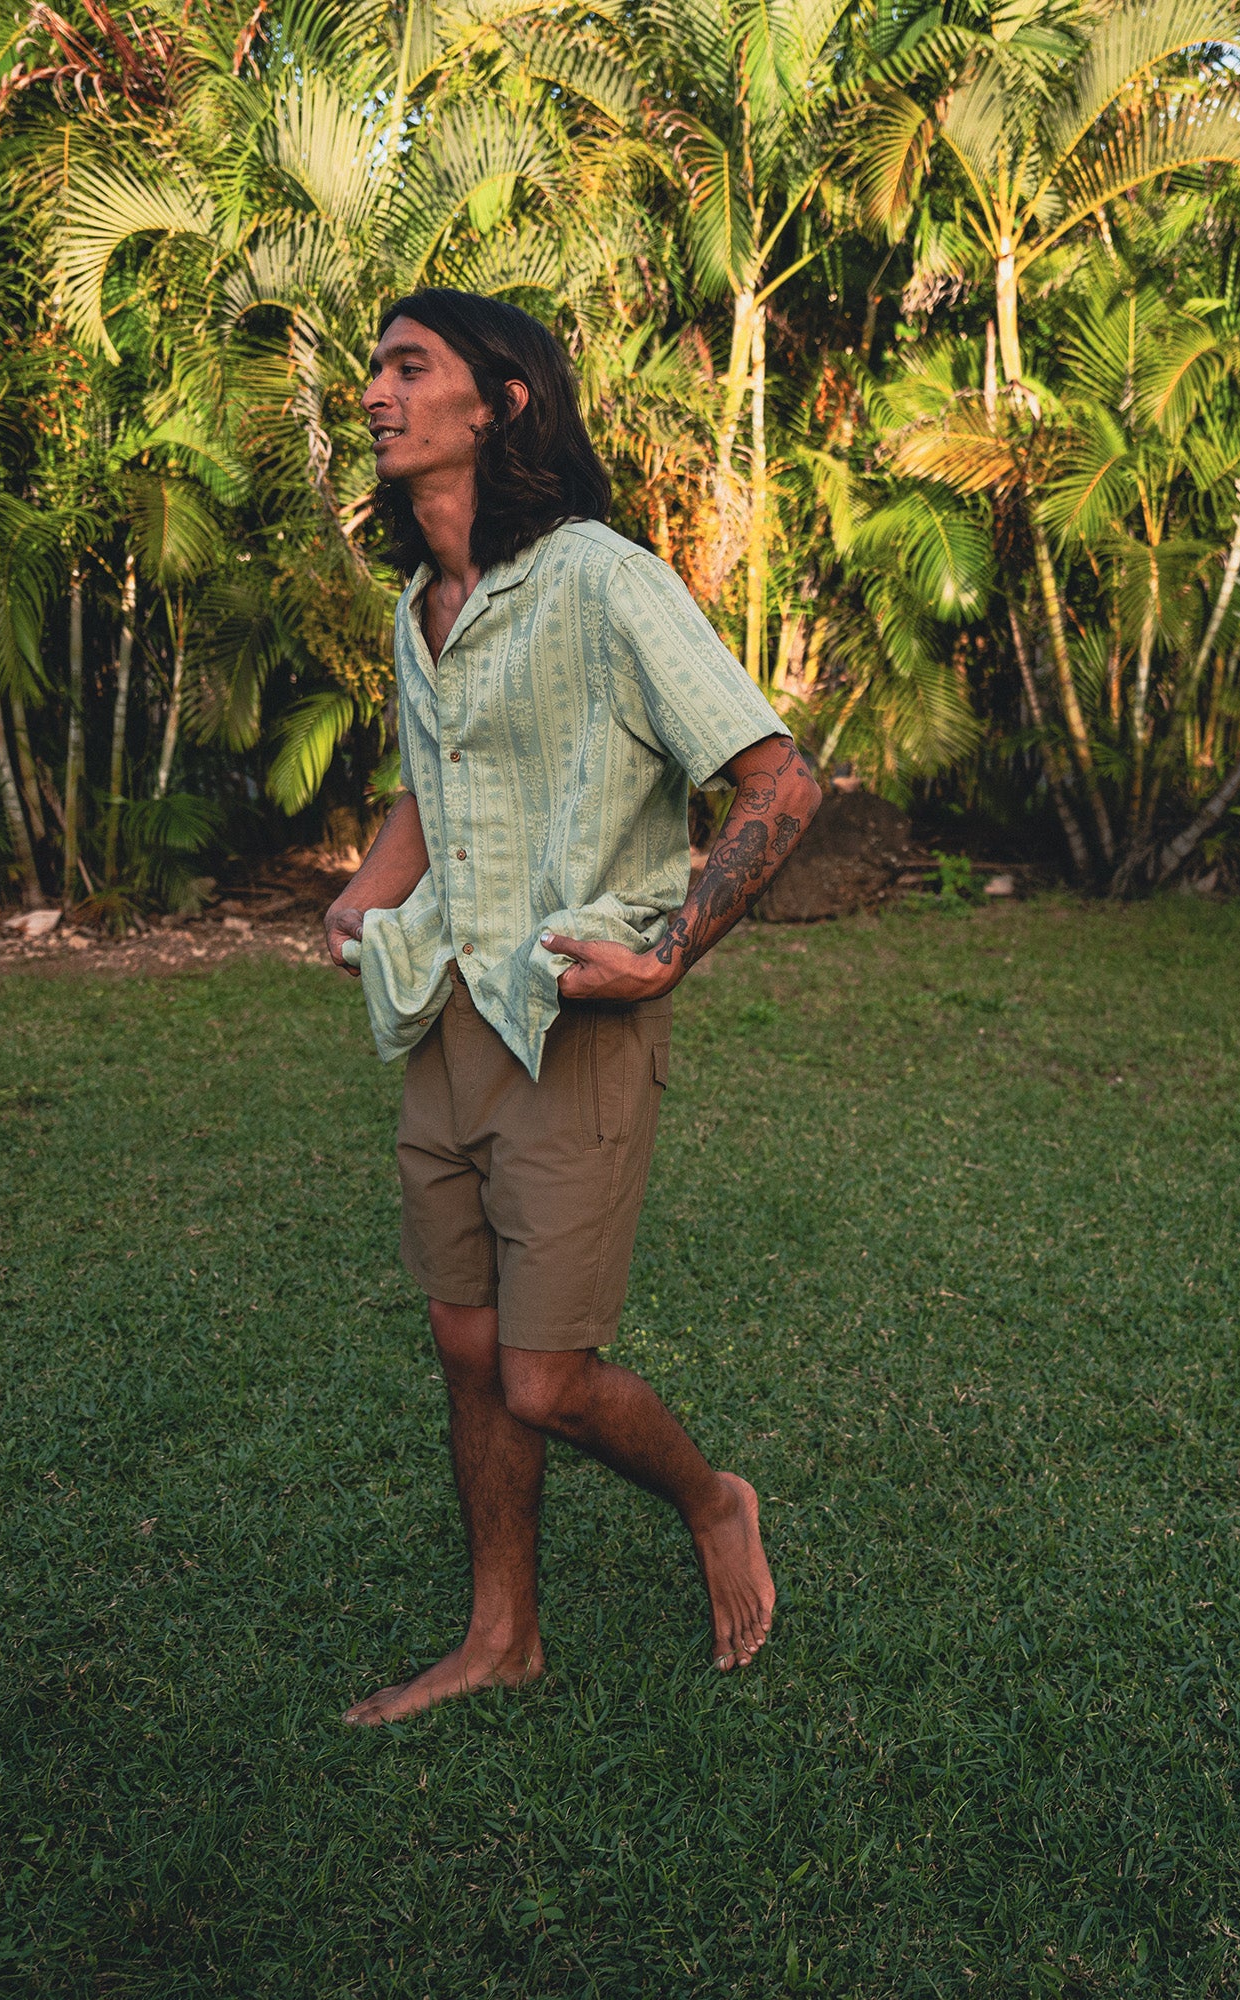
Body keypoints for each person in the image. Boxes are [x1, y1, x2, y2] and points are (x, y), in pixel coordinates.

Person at [323, 288, 821, 1727]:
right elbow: (434, 786)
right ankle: (502, 1636)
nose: (377, 393)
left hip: (574, 1027)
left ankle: (712, 1497)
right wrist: (364, 895)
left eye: (410, 366)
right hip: (445, 1019)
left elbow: (781, 783)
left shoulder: (605, 580)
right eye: (374, 369)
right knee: (467, 1350)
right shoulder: (422, 608)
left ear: (503, 402)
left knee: (542, 1378)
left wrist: (669, 948)